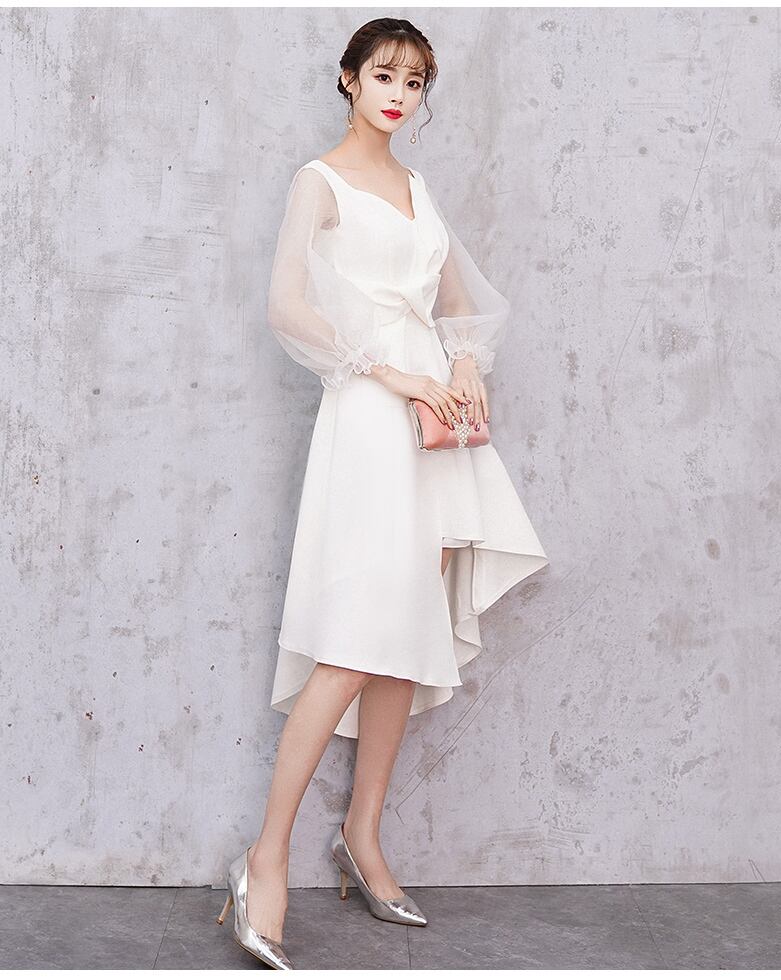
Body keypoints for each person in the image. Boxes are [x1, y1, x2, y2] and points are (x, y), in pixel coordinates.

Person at [216, 17, 549, 970]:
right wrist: (393, 374)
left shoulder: (417, 188)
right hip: (369, 410)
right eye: (384, 76)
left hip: (434, 419)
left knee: (406, 632)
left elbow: (457, 303)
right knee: (357, 638)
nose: (399, 94)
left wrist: (466, 364)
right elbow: (288, 305)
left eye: (415, 81)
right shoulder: (318, 182)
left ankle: (362, 839)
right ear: (348, 80)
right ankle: (264, 860)